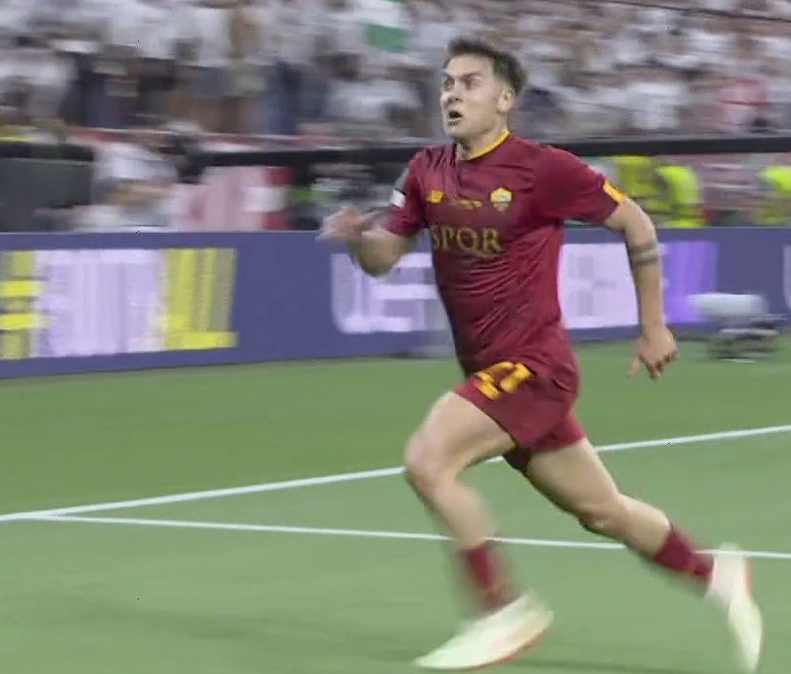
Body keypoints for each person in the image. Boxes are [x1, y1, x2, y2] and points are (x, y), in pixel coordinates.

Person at [319, 38, 763, 672]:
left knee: (428, 461)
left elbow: (635, 223)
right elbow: (383, 259)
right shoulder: (424, 171)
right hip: (491, 374)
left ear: (504, 100)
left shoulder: (542, 169)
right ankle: (716, 573)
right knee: (603, 512)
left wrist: (654, 325)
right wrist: (357, 238)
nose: (452, 94)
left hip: (534, 368)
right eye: (447, 83)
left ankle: (501, 612)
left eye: (469, 83)